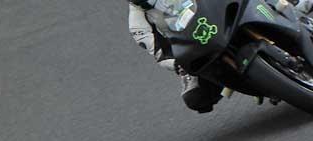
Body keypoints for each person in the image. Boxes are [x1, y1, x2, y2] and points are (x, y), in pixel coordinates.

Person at [128, 0, 313, 113]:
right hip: (198, 43)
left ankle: (293, 6)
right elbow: (160, 53)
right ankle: (269, 83)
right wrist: (176, 64)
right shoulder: (138, 22)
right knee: (196, 98)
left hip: (221, 9)